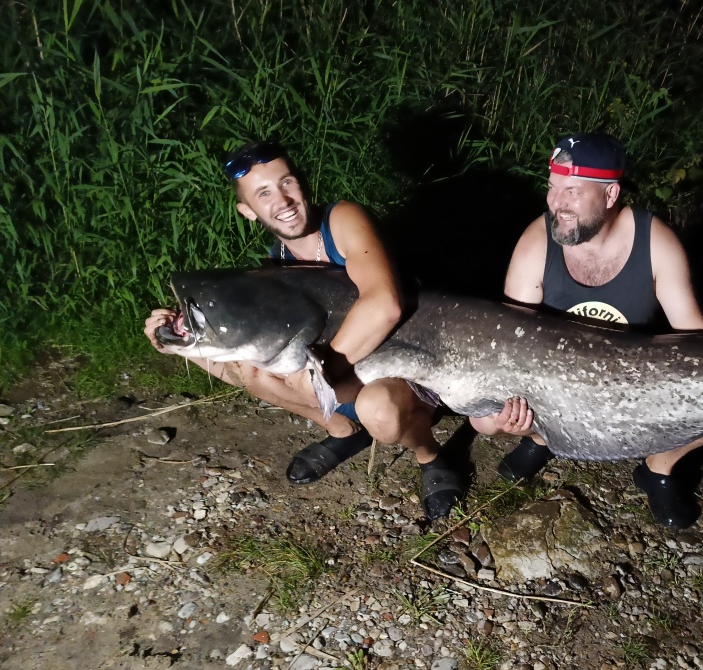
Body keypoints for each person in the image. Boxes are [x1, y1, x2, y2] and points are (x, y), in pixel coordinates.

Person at [470, 132, 703, 528]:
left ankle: (659, 467)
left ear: (610, 195)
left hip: (632, 379)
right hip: (552, 378)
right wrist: (518, 404)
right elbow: (507, 339)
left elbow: (699, 338)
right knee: (485, 419)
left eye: (572, 192)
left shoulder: (656, 243)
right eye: (552, 188)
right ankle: (540, 439)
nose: (555, 204)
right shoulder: (536, 241)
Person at [144, 141, 464, 520]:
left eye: (287, 183)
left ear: (303, 184)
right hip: (346, 372)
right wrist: (180, 339)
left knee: (379, 411)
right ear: (247, 211)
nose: (282, 200)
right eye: (264, 193)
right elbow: (245, 353)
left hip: (411, 363)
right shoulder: (277, 265)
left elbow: (385, 304)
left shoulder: (343, 220)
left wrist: (320, 369)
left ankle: (430, 455)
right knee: (253, 372)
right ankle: (344, 432)